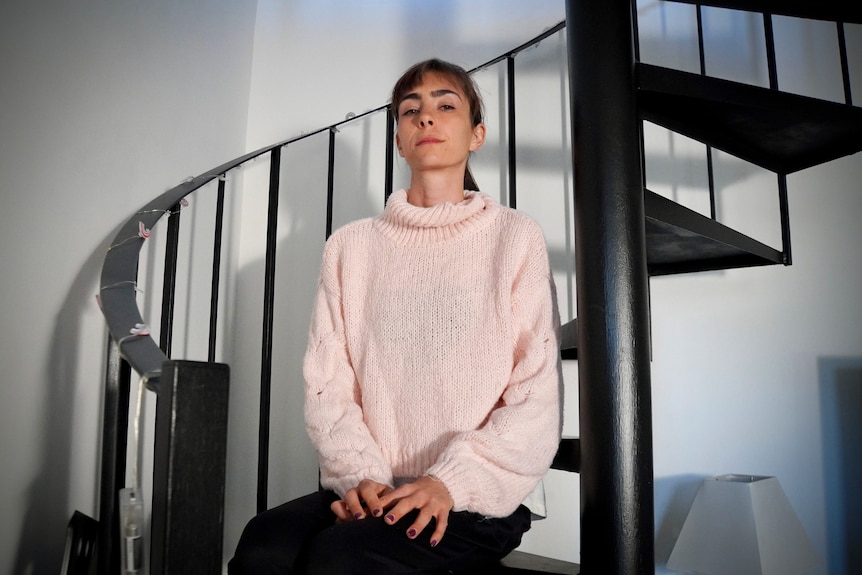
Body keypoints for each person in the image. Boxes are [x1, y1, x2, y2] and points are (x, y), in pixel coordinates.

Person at [229, 58, 563, 575]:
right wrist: (362, 479)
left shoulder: (514, 238)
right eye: (411, 111)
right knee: (263, 547)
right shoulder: (349, 248)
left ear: (477, 134)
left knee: (341, 559)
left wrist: (448, 482)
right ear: (399, 141)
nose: (426, 118)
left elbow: (534, 394)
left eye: (445, 105)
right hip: (374, 485)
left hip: (477, 493)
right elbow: (330, 387)